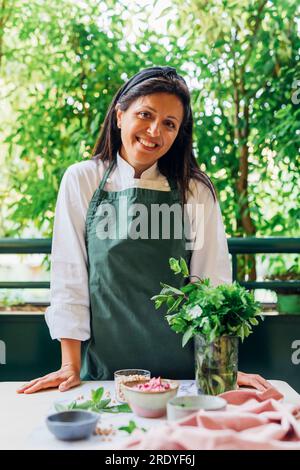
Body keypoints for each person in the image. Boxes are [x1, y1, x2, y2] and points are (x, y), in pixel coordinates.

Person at [17, 66, 272, 394]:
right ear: (120, 115)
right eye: (145, 114)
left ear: (178, 133)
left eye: (169, 124)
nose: (154, 131)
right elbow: (70, 277)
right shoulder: (82, 180)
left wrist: (222, 369)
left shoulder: (195, 190)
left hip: (186, 379)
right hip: (108, 378)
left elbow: (212, 284)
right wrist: (70, 366)